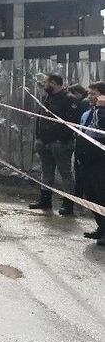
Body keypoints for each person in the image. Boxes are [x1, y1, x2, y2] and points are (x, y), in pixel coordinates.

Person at [29, 73, 81, 215]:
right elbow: (40, 118)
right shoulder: (46, 97)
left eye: (45, 82)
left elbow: (72, 124)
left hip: (61, 144)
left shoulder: (69, 99)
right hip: (44, 142)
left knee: (66, 174)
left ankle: (68, 204)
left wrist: (60, 139)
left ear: (53, 83)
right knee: (46, 172)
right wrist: (39, 138)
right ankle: (45, 200)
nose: (43, 85)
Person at [75, 82, 105, 246]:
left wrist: (102, 108)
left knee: (102, 196)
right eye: (89, 94)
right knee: (91, 195)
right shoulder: (87, 113)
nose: (89, 97)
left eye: (93, 94)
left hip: (100, 162)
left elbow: (101, 126)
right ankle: (101, 227)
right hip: (86, 160)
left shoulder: (102, 113)